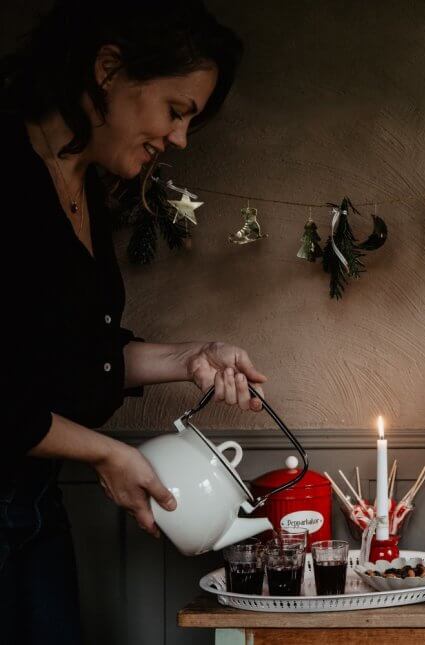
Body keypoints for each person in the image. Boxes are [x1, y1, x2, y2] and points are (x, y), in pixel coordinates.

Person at [0, 2, 251, 642]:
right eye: (176, 111)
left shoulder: (85, 188)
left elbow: (73, 353)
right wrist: (107, 454)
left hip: (30, 503)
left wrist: (190, 356)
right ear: (109, 69)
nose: (179, 141)